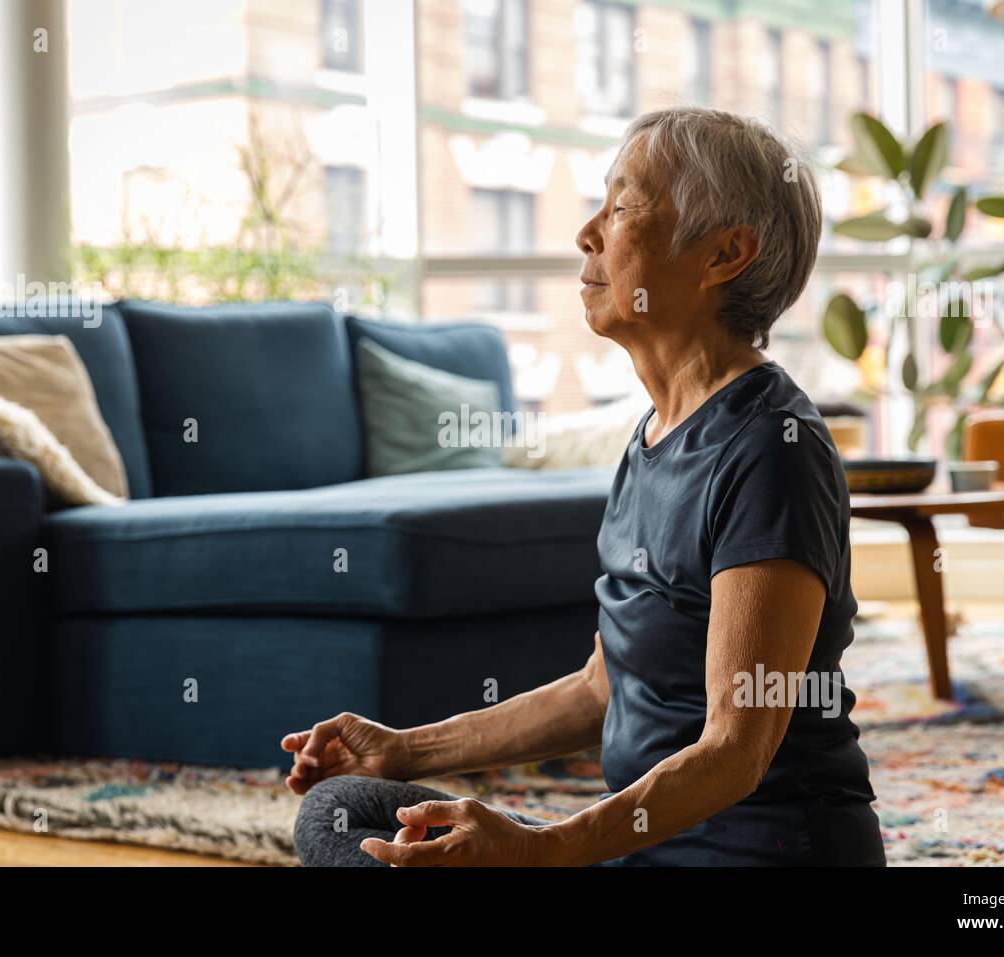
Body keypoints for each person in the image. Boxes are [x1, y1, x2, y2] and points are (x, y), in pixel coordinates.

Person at [287, 107, 885, 867]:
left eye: (625, 205)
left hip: (758, 853)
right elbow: (601, 687)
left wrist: (543, 849)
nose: (588, 232)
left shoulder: (774, 448)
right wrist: (404, 748)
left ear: (725, 253)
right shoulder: (652, 436)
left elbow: (738, 749)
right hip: (641, 846)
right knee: (345, 814)